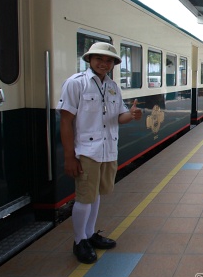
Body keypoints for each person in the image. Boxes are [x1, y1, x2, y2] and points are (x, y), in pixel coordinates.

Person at [57, 42, 143, 263]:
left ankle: (89, 234)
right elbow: (66, 121)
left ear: (113, 64)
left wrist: (131, 114)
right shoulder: (76, 84)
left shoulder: (113, 86)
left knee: (95, 196)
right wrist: (69, 156)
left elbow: (118, 117)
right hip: (87, 150)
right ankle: (79, 241)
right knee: (85, 198)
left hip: (108, 150)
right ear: (89, 59)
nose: (104, 63)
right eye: (99, 59)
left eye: (109, 60)